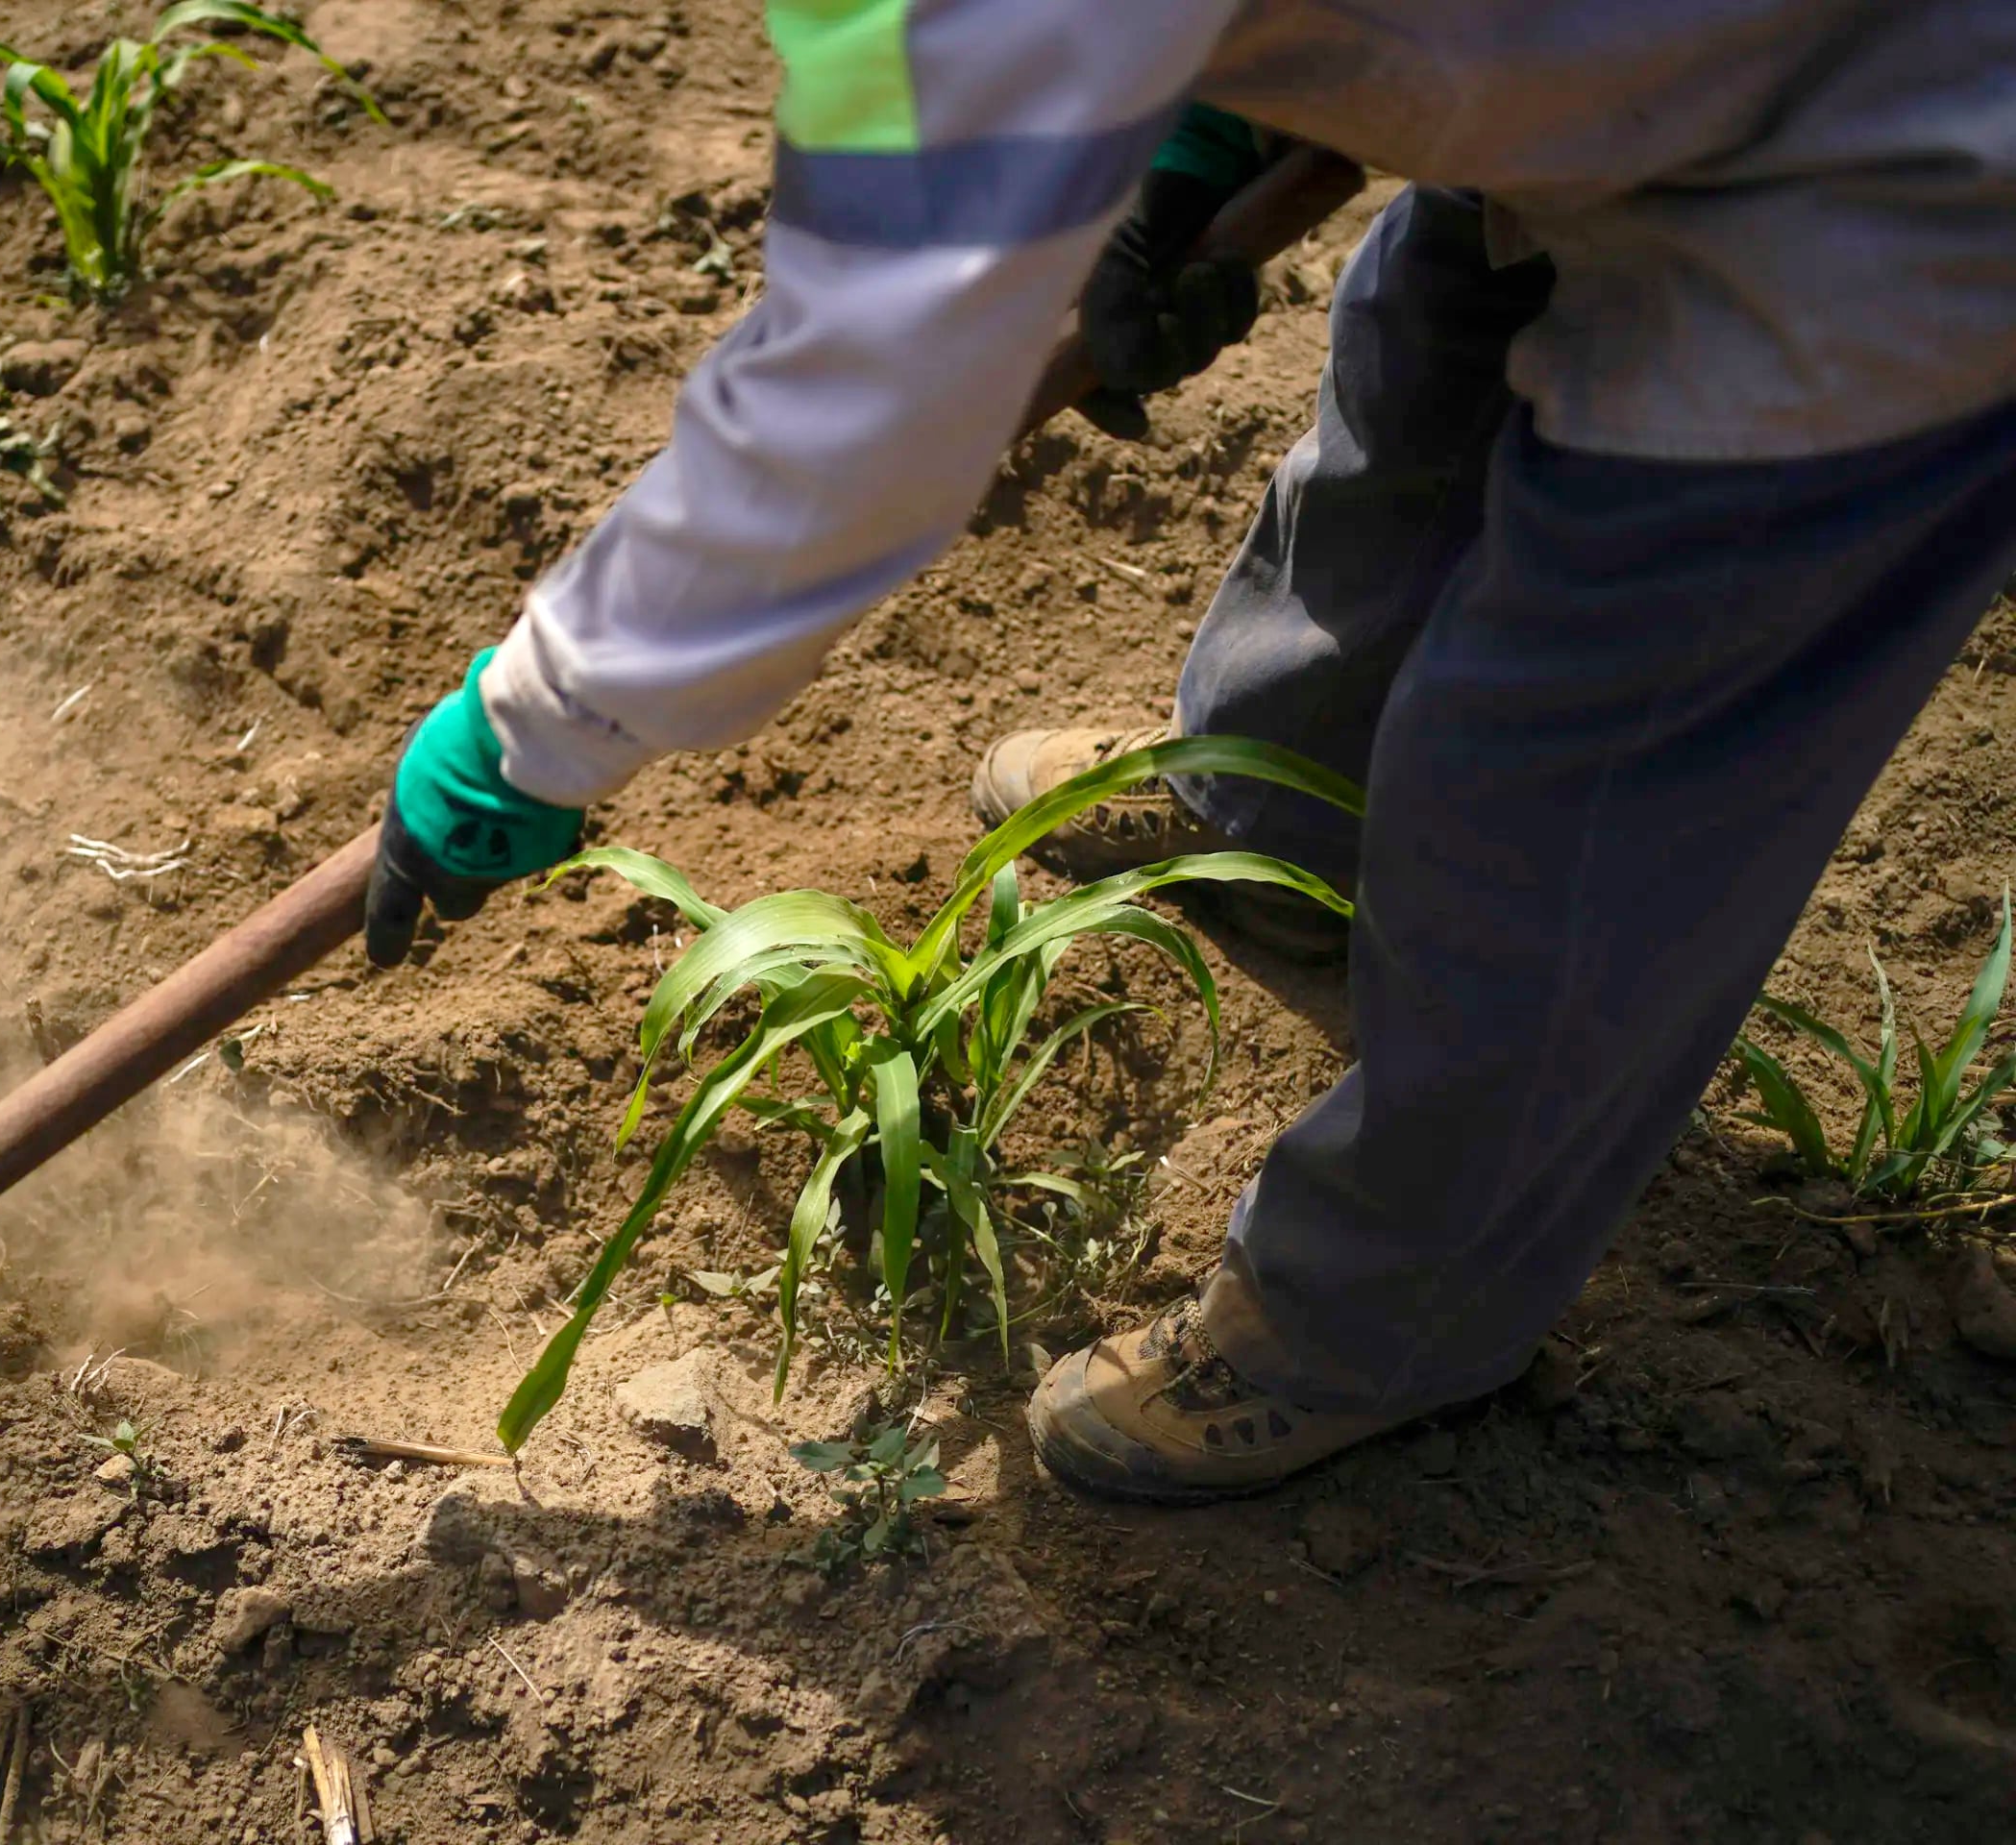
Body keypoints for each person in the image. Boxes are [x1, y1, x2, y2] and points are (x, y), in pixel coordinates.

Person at [360, 3, 2016, 1503]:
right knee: (1410, 420)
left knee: (1572, 783)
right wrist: (1221, 114)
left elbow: (859, 409)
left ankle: (1384, 1315)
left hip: (1900, 195)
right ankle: (1275, 827)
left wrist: (531, 732)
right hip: (1648, 65)